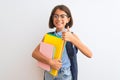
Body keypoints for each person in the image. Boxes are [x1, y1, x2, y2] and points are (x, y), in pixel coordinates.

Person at [32, 4, 92, 80]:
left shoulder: (72, 35)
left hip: (65, 74)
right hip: (50, 73)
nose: (59, 19)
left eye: (62, 16)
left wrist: (72, 39)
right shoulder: (48, 36)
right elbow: (35, 53)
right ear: (52, 18)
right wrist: (50, 62)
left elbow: (89, 54)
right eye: (56, 16)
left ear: (68, 19)